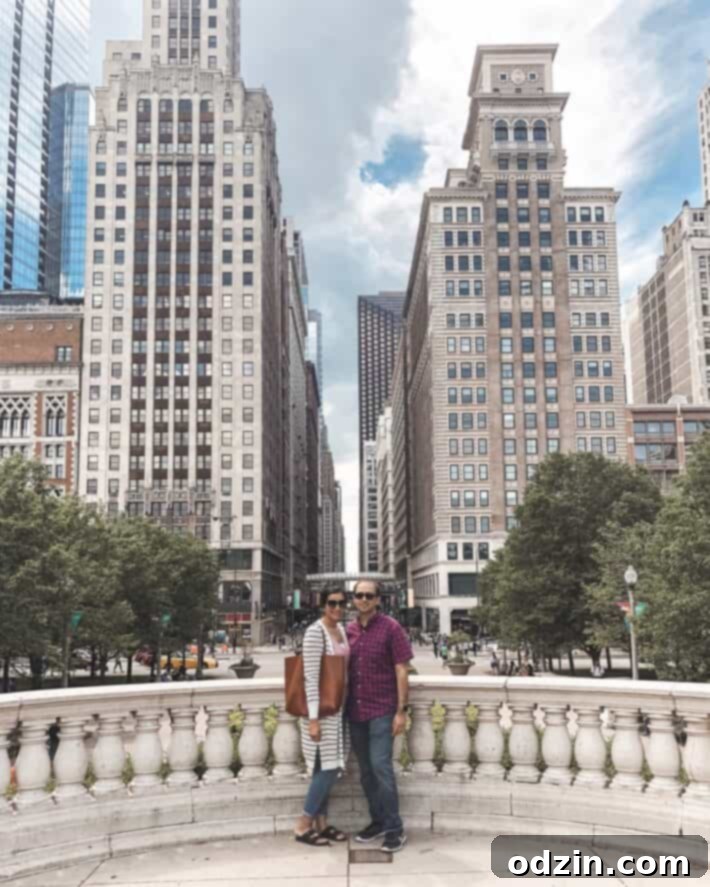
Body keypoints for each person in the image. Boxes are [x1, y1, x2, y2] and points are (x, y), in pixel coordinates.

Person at [347, 580, 413, 854]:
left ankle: (395, 828)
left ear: (377, 600)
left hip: (382, 710)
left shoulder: (391, 628)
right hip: (355, 712)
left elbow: (402, 670)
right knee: (365, 772)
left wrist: (401, 711)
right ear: (354, 599)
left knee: (381, 767)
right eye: (359, 595)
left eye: (368, 596)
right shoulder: (348, 630)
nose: (363, 599)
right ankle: (377, 821)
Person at [293, 590, 350, 848]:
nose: (337, 607)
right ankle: (303, 824)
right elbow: (311, 678)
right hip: (322, 712)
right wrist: (313, 719)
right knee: (328, 768)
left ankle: (322, 823)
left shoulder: (341, 630)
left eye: (341, 603)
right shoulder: (316, 632)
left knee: (325, 767)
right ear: (323, 605)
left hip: (339, 710)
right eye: (332, 603)